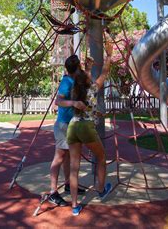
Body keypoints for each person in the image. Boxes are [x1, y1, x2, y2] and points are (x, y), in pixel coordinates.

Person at [66, 41, 114, 216]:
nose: (90, 76)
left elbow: (82, 78)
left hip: (73, 126)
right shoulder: (92, 89)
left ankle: (74, 206)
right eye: (88, 75)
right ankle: (101, 189)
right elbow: (105, 72)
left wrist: (86, 67)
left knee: (74, 167)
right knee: (101, 157)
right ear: (87, 80)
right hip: (86, 127)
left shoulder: (75, 89)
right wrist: (109, 55)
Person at [48, 54, 86, 206]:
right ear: (76, 68)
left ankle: (68, 185)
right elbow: (58, 101)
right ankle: (53, 192)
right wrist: (74, 103)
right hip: (63, 124)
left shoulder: (74, 80)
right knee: (59, 157)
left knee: (68, 156)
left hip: (71, 124)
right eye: (80, 66)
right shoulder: (66, 81)